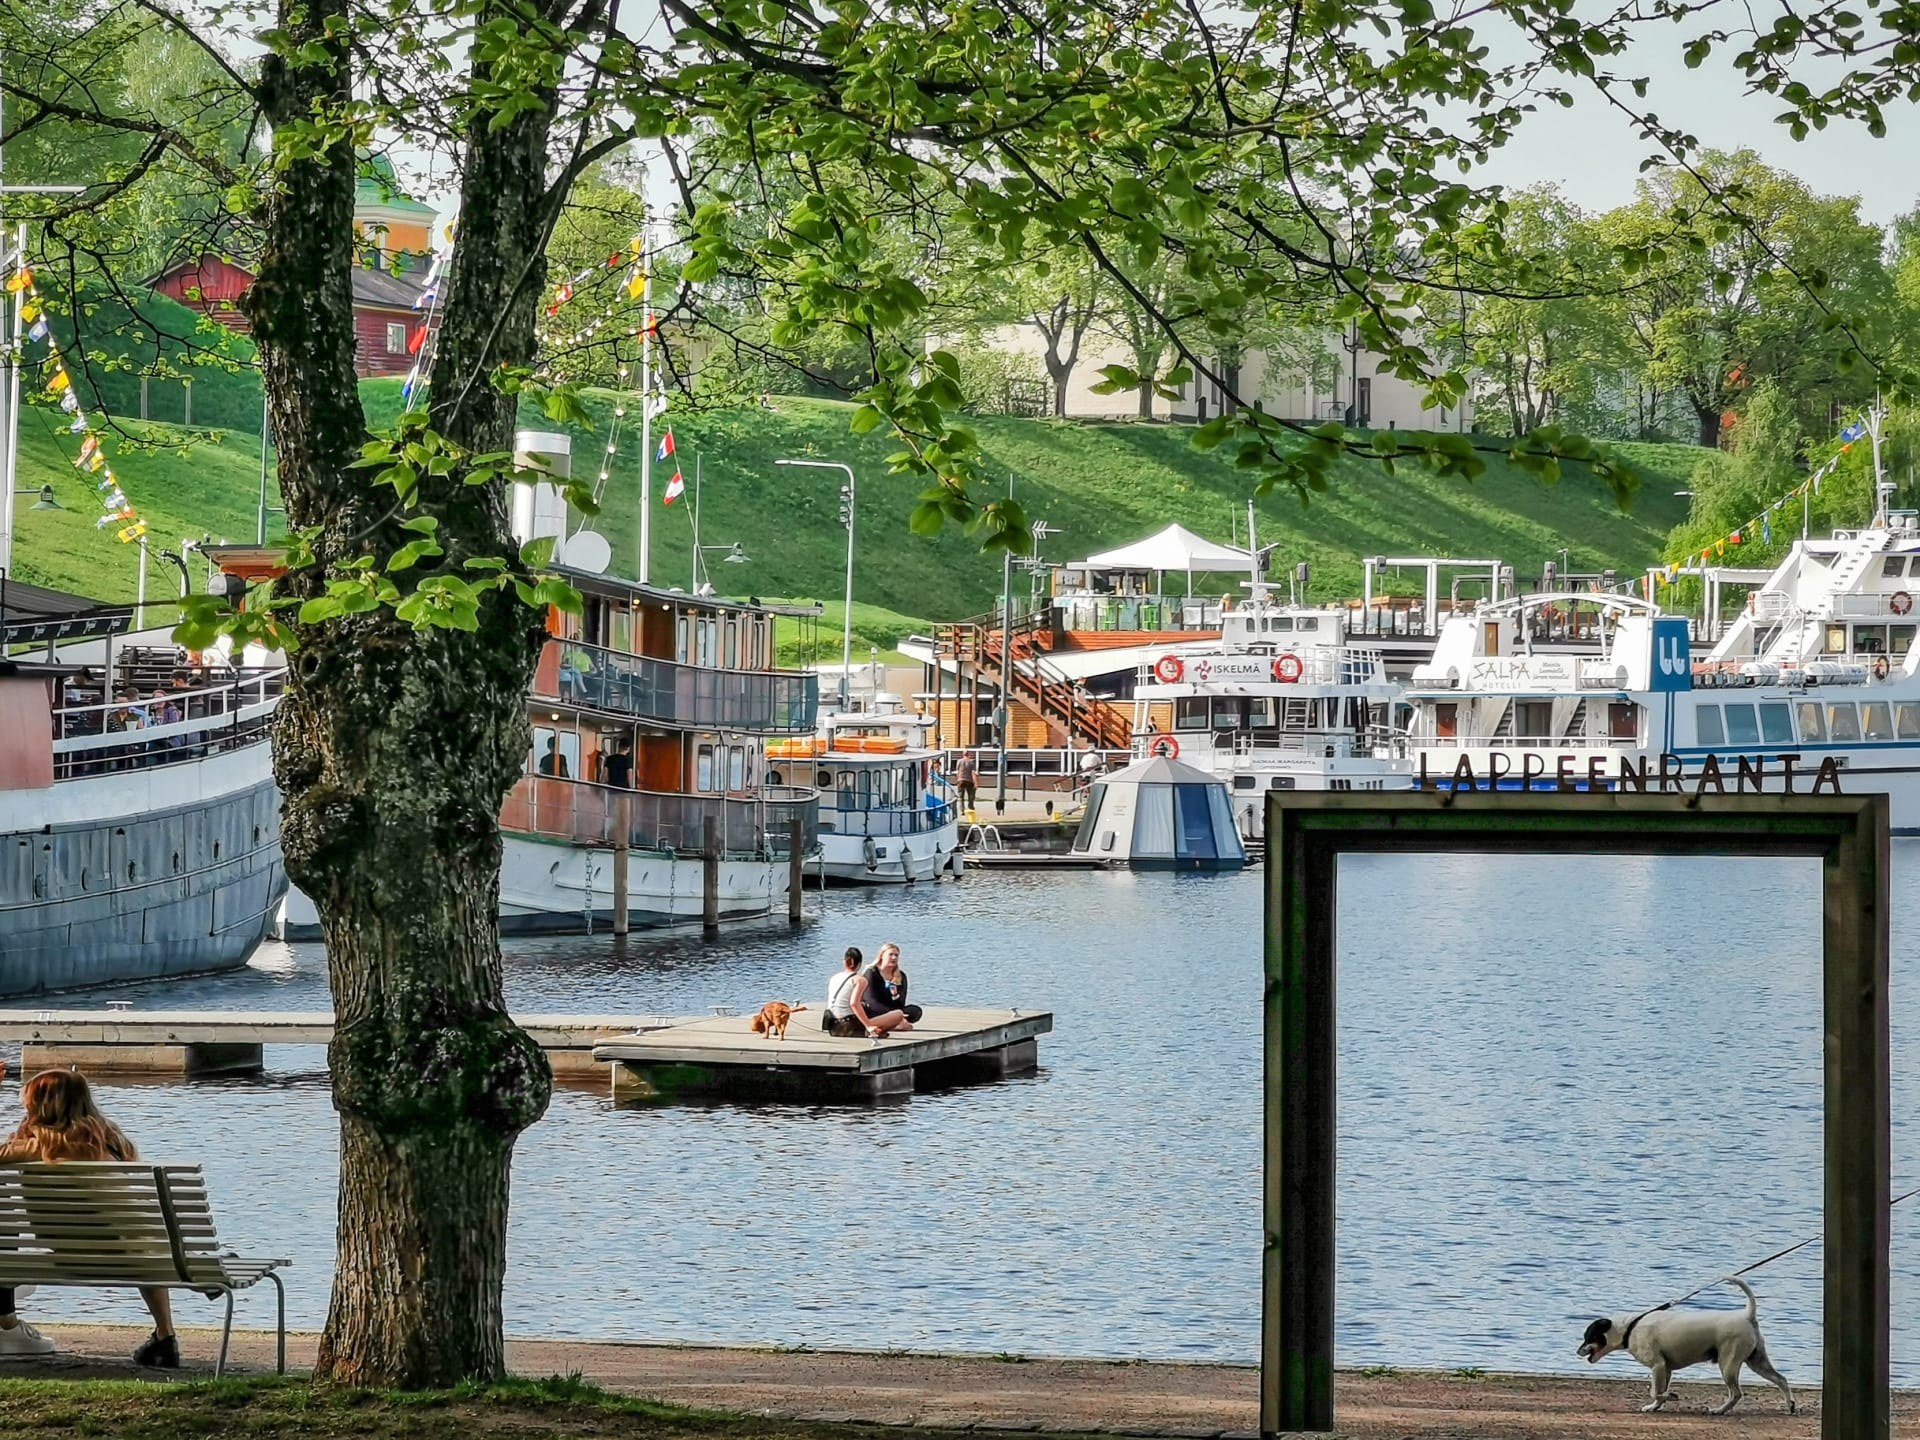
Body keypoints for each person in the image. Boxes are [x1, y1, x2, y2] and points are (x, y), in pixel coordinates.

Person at [0, 1070, 180, 1367]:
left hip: (71, 1256)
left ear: (41, 1106)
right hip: (139, 1256)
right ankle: (165, 1334)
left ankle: (6, 1320)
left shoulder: (41, 1146)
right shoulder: (115, 1143)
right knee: (142, 1245)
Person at [852, 942, 923, 1037]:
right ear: (882, 956)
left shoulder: (901, 976)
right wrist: (893, 1014)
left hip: (893, 1009)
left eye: (896, 955)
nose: (894, 958)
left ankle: (896, 1022)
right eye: (891, 954)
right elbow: (871, 1000)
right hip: (873, 1009)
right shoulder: (872, 973)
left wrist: (895, 995)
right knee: (897, 1014)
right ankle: (894, 1023)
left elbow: (901, 1003)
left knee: (915, 1011)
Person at [823, 946, 865, 1037]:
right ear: (859, 964)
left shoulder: (834, 978)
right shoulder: (859, 980)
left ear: (845, 962)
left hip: (833, 1026)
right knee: (897, 1015)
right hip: (849, 1025)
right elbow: (854, 1004)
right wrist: (869, 1025)